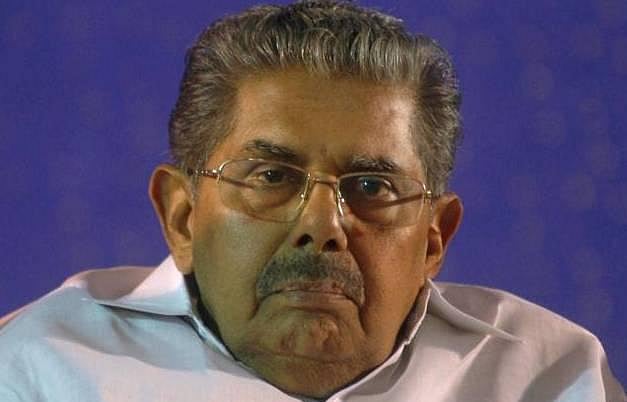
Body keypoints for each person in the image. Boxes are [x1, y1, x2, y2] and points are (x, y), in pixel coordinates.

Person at [0, 1, 624, 401]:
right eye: (271, 176)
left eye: (372, 187)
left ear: (435, 238)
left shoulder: (547, 379)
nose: (323, 225)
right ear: (183, 218)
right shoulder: (39, 371)